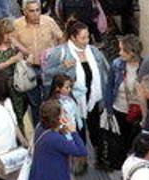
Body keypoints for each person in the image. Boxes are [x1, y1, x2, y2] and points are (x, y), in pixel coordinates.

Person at [43, 20, 110, 167]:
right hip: (72, 102)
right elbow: (46, 76)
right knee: (77, 132)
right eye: (83, 38)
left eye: (88, 37)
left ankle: (100, 158)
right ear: (73, 38)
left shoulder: (94, 51)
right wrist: (62, 67)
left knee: (96, 129)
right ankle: (80, 160)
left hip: (93, 100)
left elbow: (105, 72)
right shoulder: (60, 53)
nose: (87, 41)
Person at [13, 0, 64, 122]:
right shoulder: (16, 24)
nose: (36, 14)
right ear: (24, 11)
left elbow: (61, 38)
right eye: (31, 11)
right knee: (35, 103)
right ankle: (38, 130)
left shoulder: (49, 22)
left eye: (38, 10)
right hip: (29, 69)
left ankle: (52, 128)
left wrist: (57, 55)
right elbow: (12, 43)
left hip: (48, 68)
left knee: (51, 101)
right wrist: (24, 53)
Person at [103, 34, 143, 170]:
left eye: (122, 50)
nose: (119, 53)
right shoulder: (117, 65)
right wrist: (108, 109)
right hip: (118, 110)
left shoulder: (145, 67)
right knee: (118, 140)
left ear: (132, 52)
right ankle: (119, 165)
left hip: (137, 113)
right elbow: (109, 87)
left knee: (133, 141)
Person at [0, 18, 30, 130]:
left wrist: (18, 46)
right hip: (0, 84)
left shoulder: (12, 41)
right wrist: (13, 59)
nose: (9, 36)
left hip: (15, 82)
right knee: (3, 112)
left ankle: (20, 133)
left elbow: (27, 53)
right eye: (6, 33)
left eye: (10, 33)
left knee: (19, 111)